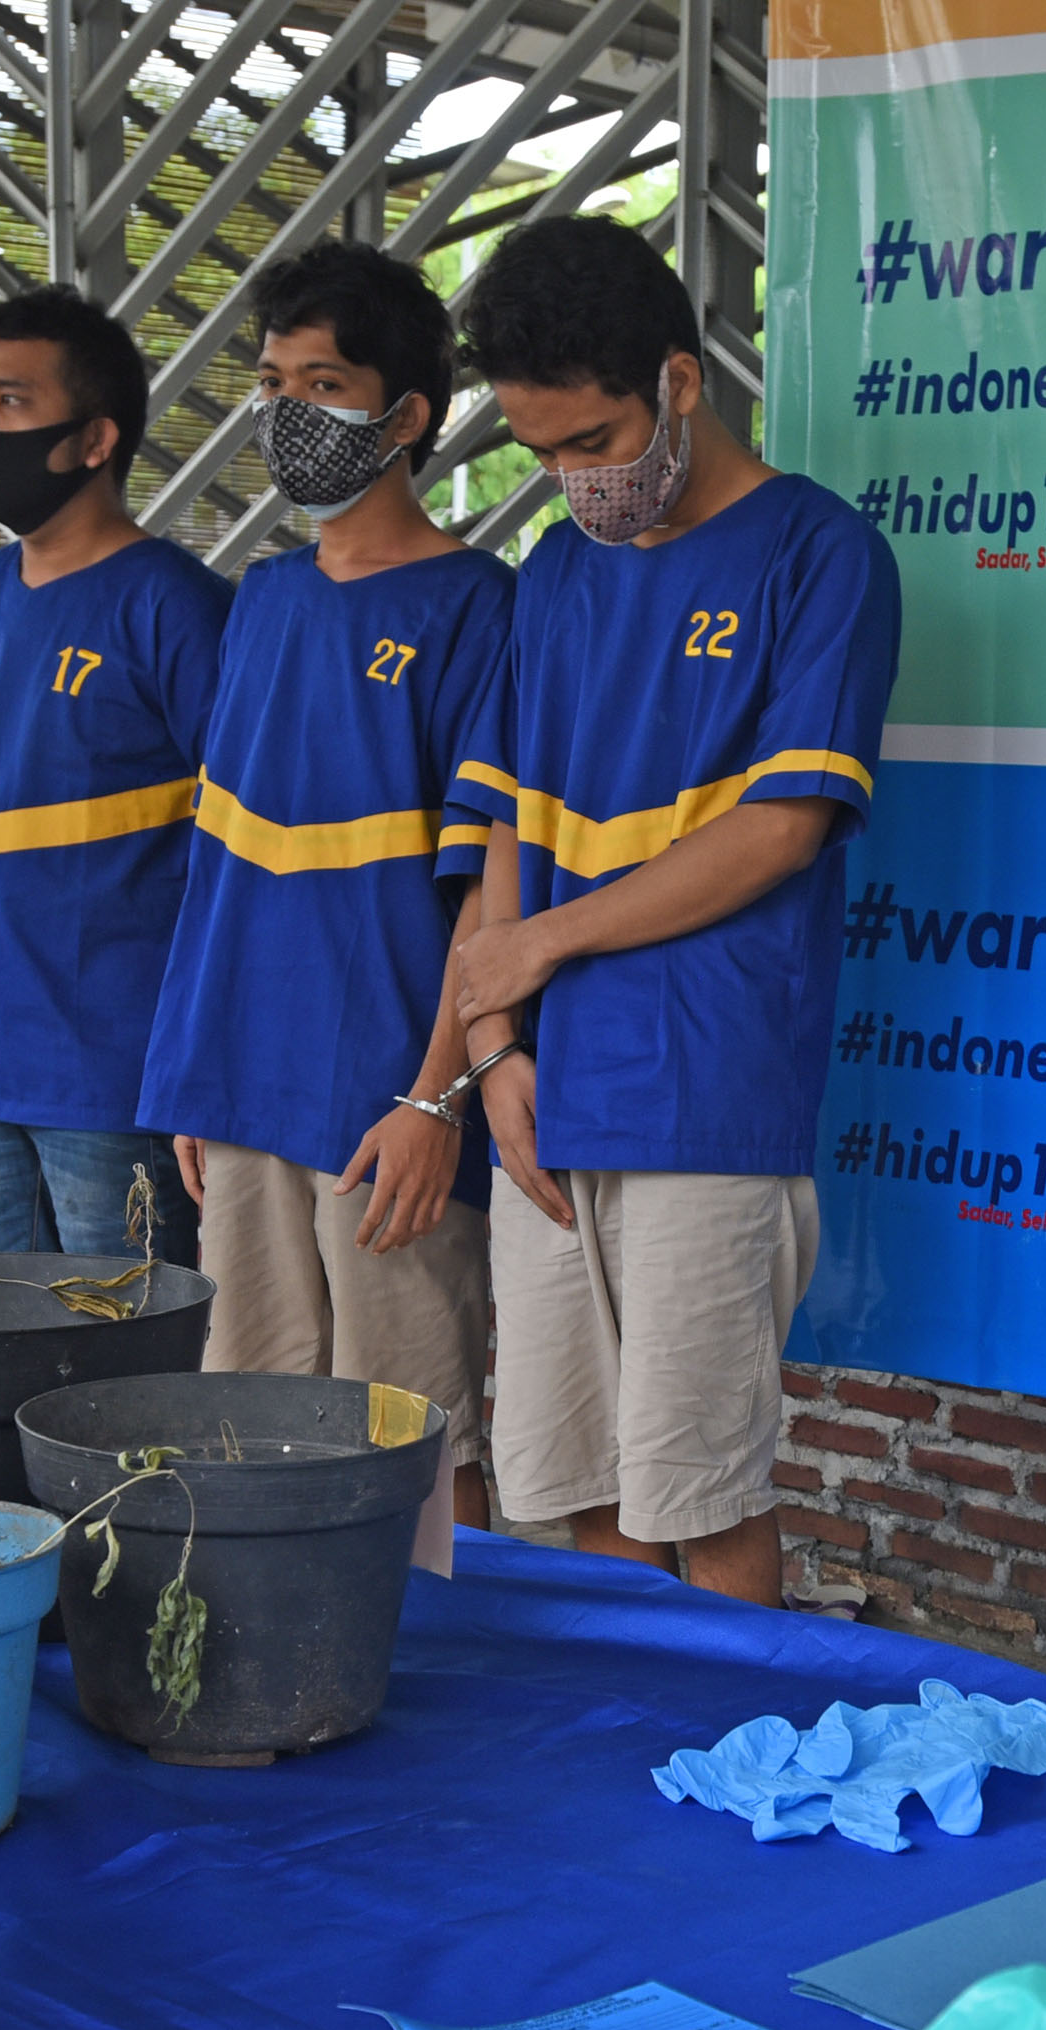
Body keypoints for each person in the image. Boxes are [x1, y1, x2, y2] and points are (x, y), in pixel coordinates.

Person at [440, 218, 900, 1606]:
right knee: (582, 1487)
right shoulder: (558, 575)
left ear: (682, 384)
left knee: (701, 1490)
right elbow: (515, 813)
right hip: (548, 1093)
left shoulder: (821, 556)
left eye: (593, 443)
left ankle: (730, 1765)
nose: (573, 482)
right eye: (540, 456)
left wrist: (540, 949)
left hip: (711, 1081)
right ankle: (623, 1781)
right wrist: (495, 1047)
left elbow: (781, 829)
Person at [135, 241, 508, 1549]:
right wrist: (193, 1072)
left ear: (409, 416)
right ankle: (280, 1669)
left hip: (384, 1109)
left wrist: (436, 1099)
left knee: (412, 1428)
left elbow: (488, 897)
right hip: (240, 1090)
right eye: (273, 380)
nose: (291, 412)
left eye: (326, 382)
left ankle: (448, 1698)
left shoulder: (479, 609)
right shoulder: (266, 602)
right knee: (247, 1417)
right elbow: (219, 858)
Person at [0, 286, 228, 1263]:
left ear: (95, 439)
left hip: (116, 1074)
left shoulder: (175, 606)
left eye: (11, 401)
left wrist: (198, 1058)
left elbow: (232, 852)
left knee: (127, 1359)